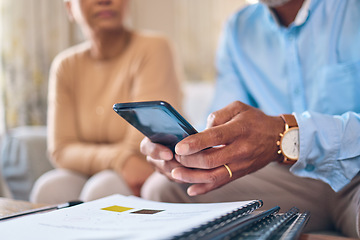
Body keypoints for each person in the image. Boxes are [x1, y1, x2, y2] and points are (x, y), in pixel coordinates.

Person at [139, 0, 360, 237]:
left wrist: (285, 137)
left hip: (355, 173)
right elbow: (222, 124)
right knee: (164, 190)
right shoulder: (238, 29)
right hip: (287, 177)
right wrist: (192, 154)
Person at [30, 0, 183, 203]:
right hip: (104, 168)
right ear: (69, 8)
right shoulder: (65, 66)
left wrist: (120, 160)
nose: (105, 0)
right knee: (49, 189)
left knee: (104, 190)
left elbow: (141, 145)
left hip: (146, 168)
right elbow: (61, 149)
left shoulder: (154, 48)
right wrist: (118, 159)